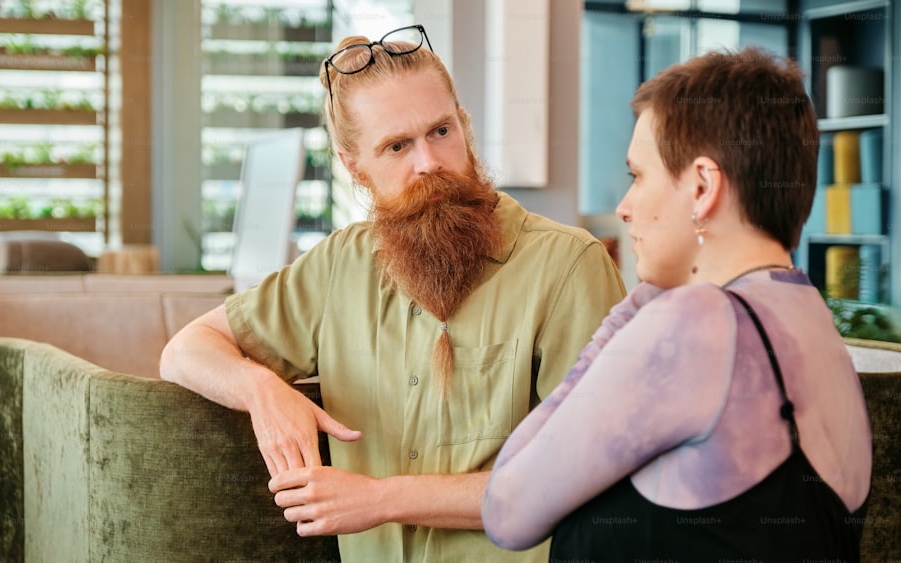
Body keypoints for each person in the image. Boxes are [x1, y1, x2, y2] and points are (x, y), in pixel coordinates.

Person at [160, 24, 626, 562]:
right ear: (353, 165)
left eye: (441, 131)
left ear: (465, 126)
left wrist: (382, 499)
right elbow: (186, 349)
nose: (427, 161)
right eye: (397, 145)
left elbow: (587, 469)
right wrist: (262, 390)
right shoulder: (339, 265)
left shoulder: (569, 264)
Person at [481, 46, 873, 561]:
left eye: (636, 176)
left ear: (704, 186)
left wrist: (628, 312)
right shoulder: (812, 323)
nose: (624, 207)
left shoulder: (695, 324)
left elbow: (506, 510)